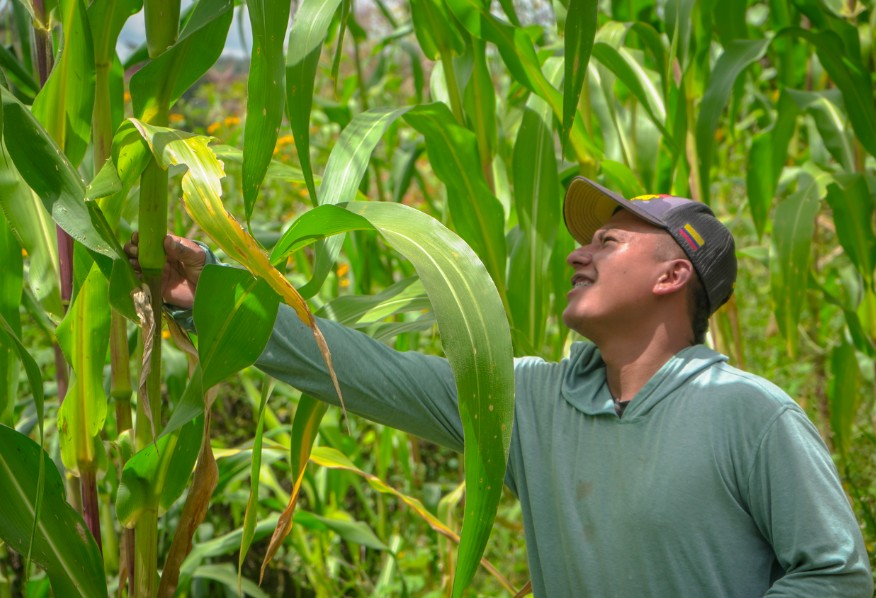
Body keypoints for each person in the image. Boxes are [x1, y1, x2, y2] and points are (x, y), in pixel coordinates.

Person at [126, 176, 874, 596]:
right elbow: (361, 371)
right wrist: (214, 296)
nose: (580, 254)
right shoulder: (531, 404)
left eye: (609, 242)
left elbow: (837, 578)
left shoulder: (748, 415)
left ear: (674, 274)